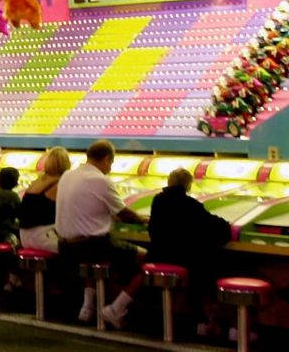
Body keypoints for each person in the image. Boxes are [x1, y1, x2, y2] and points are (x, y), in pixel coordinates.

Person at [55, 140, 146, 327]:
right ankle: (115, 309)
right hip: (90, 247)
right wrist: (145, 219)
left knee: (92, 253)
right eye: (111, 164)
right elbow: (125, 214)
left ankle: (87, 307)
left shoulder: (67, 175)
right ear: (106, 160)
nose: (110, 169)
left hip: (65, 246)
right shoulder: (101, 180)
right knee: (145, 258)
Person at [148, 168, 232, 336]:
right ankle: (214, 323)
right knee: (209, 270)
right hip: (184, 261)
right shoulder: (191, 205)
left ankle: (196, 322)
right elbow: (219, 227)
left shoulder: (157, 201)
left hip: (159, 257)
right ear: (188, 185)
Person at [19, 147, 70, 253]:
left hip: (24, 237)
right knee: (74, 250)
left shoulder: (39, 180)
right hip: (41, 238)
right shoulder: (59, 183)